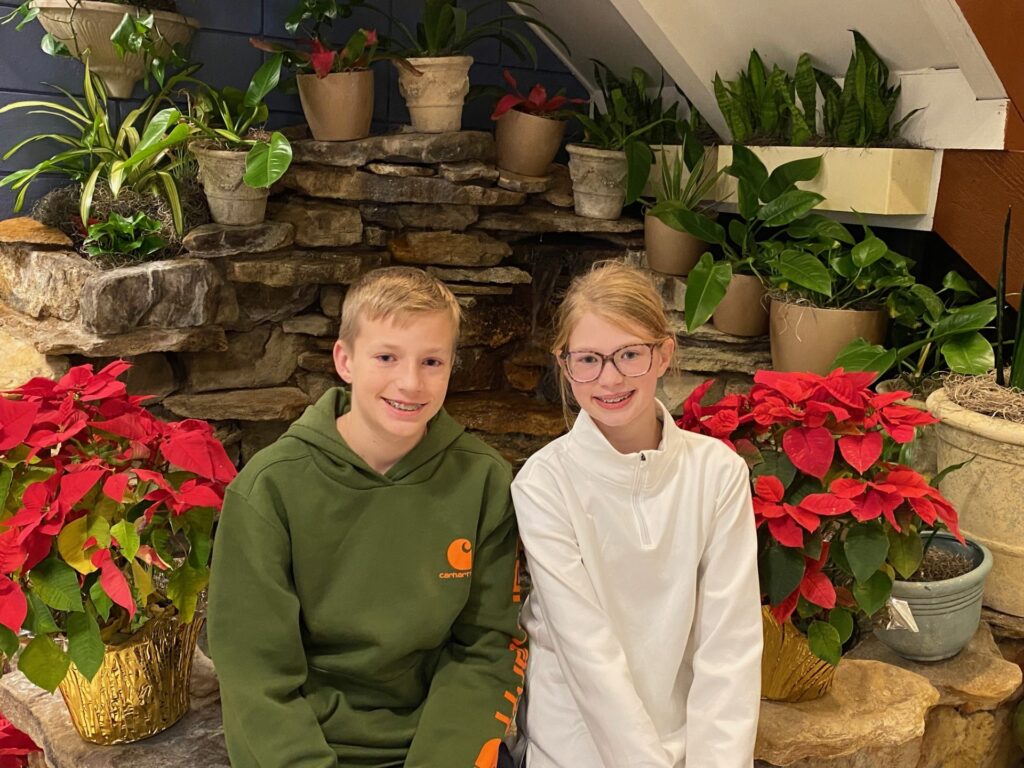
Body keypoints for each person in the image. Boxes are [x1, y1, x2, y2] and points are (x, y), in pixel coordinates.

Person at [208, 267, 525, 768]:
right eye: (386, 357)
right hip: (310, 746)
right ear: (345, 360)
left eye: (432, 361)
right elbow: (255, 674)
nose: (410, 382)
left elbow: (487, 644)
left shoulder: (484, 481)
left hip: (441, 743)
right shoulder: (268, 489)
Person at [510, 261, 762, 768]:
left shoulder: (717, 473)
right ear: (565, 366)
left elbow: (728, 648)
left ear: (663, 353)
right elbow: (588, 659)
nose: (609, 378)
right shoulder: (543, 485)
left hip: (688, 741)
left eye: (629, 354)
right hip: (574, 745)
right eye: (589, 359)